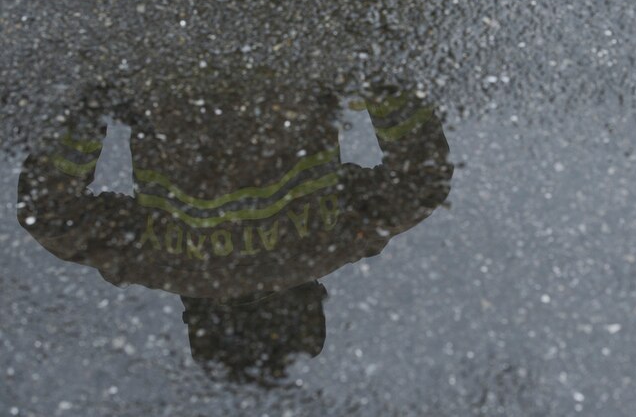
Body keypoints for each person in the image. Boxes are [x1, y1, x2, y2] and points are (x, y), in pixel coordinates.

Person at [17, 61, 453, 383]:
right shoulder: (159, 262)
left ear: (309, 306)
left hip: (290, 42)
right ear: (198, 322)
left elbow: (423, 182)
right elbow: (48, 215)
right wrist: (90, 104)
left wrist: (374, 70)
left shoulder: (328, 242)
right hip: (156, 57)